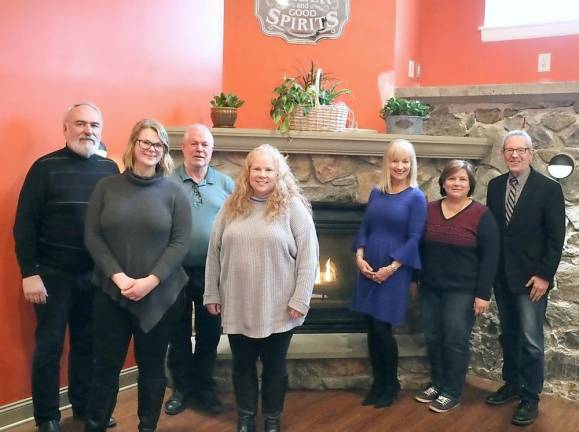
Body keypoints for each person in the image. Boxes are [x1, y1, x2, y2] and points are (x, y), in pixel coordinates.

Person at [13, 103, 119, 432]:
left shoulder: (110, 170)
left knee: (87, 345)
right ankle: (46, 417)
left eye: (95, 125)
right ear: (66, 129)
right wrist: (29, 273)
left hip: (95, 276)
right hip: (52, 276)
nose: (88, 130)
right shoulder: (44, 168)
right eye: (81, 124)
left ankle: (84, 407)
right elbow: (24, 224)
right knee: (49, 347)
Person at [83, 119, 192, 432]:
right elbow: (93, 237)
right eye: (145, 142)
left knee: (152, 369)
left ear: (164, 151)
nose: (151, 149)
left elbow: (180, 241)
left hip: (159, 296)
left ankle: (147, 427)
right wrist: (118, 277)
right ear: (133, 145)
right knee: (104, 367)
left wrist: (150, 281)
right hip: (110, 292)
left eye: (157, 144)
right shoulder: (106, 187)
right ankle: (95, 425)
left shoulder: (175, 192)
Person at [204, 144, 318, 432]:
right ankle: (245, 417)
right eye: (257, 168)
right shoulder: (231, 206)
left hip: (279, 306)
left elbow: (309, 256)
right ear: (248, 171)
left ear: (279, 173)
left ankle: (271, 418)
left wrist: (300, 299)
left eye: (269, 169)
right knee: (242, 365)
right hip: (238, 302)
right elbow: (213, 253)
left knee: (274, 367)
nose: (263, 174)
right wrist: (212, 293)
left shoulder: (293, 207)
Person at [485, 130, 566, 426]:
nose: (514, 155)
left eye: (521, 150)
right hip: (502, 276)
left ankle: (530, 397)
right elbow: (494, 232)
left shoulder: (548, 188)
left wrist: (545, 275)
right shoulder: (494, 186)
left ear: (531, 153)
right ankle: (513, 384)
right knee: (508, 335)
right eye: (509, 150)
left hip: (533, 280)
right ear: (504, 154)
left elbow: (556, 237)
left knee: (531, 341)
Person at [414, 160, 499, 413]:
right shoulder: (428, 210)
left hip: (462, 291)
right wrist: (413, 279)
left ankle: (452, 390)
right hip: (430, 288)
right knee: (432, 337)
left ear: (470, 184)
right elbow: (417, 248)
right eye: (452, 179)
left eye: (462, 179)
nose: (457, 183)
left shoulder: (482, 215)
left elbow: (491, 258)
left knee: (454, 340)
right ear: (443, 183)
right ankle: (437, 383)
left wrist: (483, 294)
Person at [164, 124, 234, 416]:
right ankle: (182, 388)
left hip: (212, 272)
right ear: (183, 148)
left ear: (212, 149)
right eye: (194, 144)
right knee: (177, 333)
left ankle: (204, 387)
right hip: (173, 270)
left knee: (209, 333)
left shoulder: (226, 184)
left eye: (205, 144)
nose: (199, 149)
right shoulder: (166, 182)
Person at [352, 139, 427, 408]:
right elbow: (365, 227)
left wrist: (392, 268)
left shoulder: (416, 197)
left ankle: (390, 384)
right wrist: (359, 256)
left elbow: (415, 238)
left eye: (405, 161)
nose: (400, 166)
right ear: (387, 162)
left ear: (412, 164)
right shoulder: (377, 193)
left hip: (395, 271)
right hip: (368, 266)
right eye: (395, 160)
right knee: (371, 328)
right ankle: (377, 383)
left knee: (383, 328)